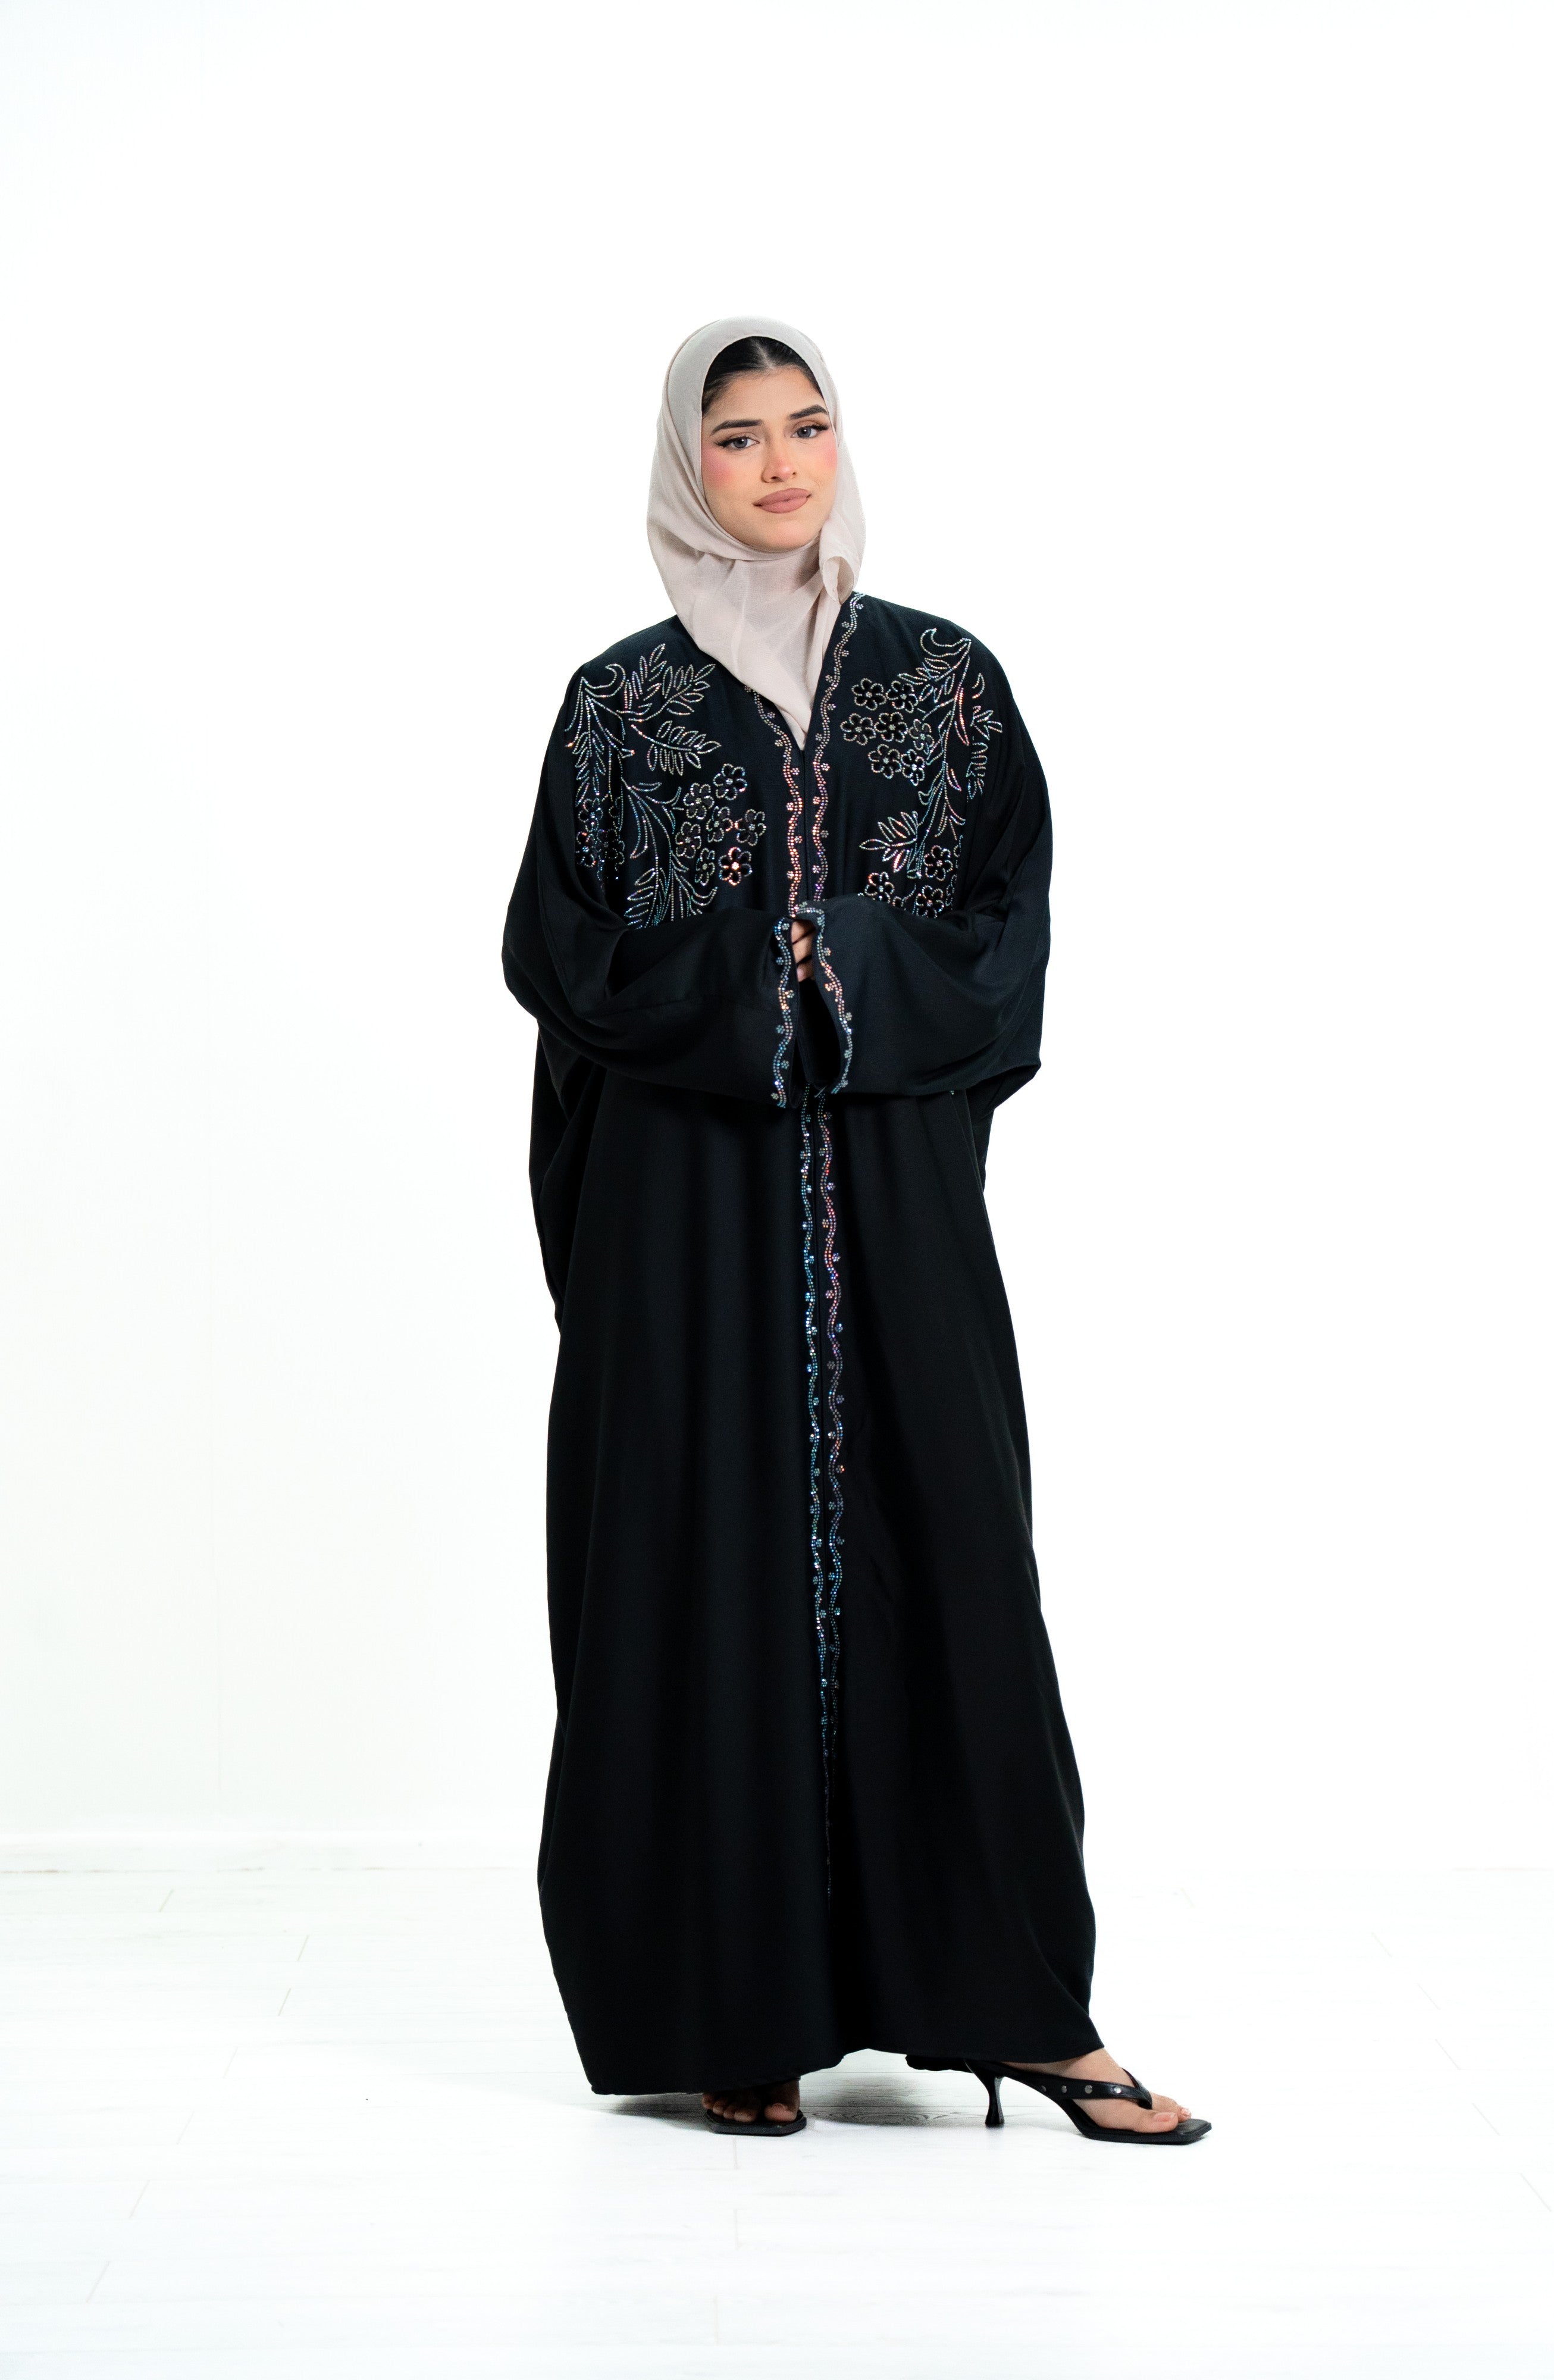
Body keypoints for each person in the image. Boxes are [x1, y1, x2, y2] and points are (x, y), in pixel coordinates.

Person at [502, 317, 1208, 2146]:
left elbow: (1004, 935)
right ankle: (733, 2010)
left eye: (806, 425)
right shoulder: (620, 707)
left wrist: (852, 966)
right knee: (695, 1578)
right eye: (737, 436)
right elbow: (561, 958)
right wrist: (753, 976)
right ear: (689, 464)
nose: (779, 464)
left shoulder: (943, 684)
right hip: (684, 1217)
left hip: (890, 1206)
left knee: (950, 1556)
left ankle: (1024, 2010)